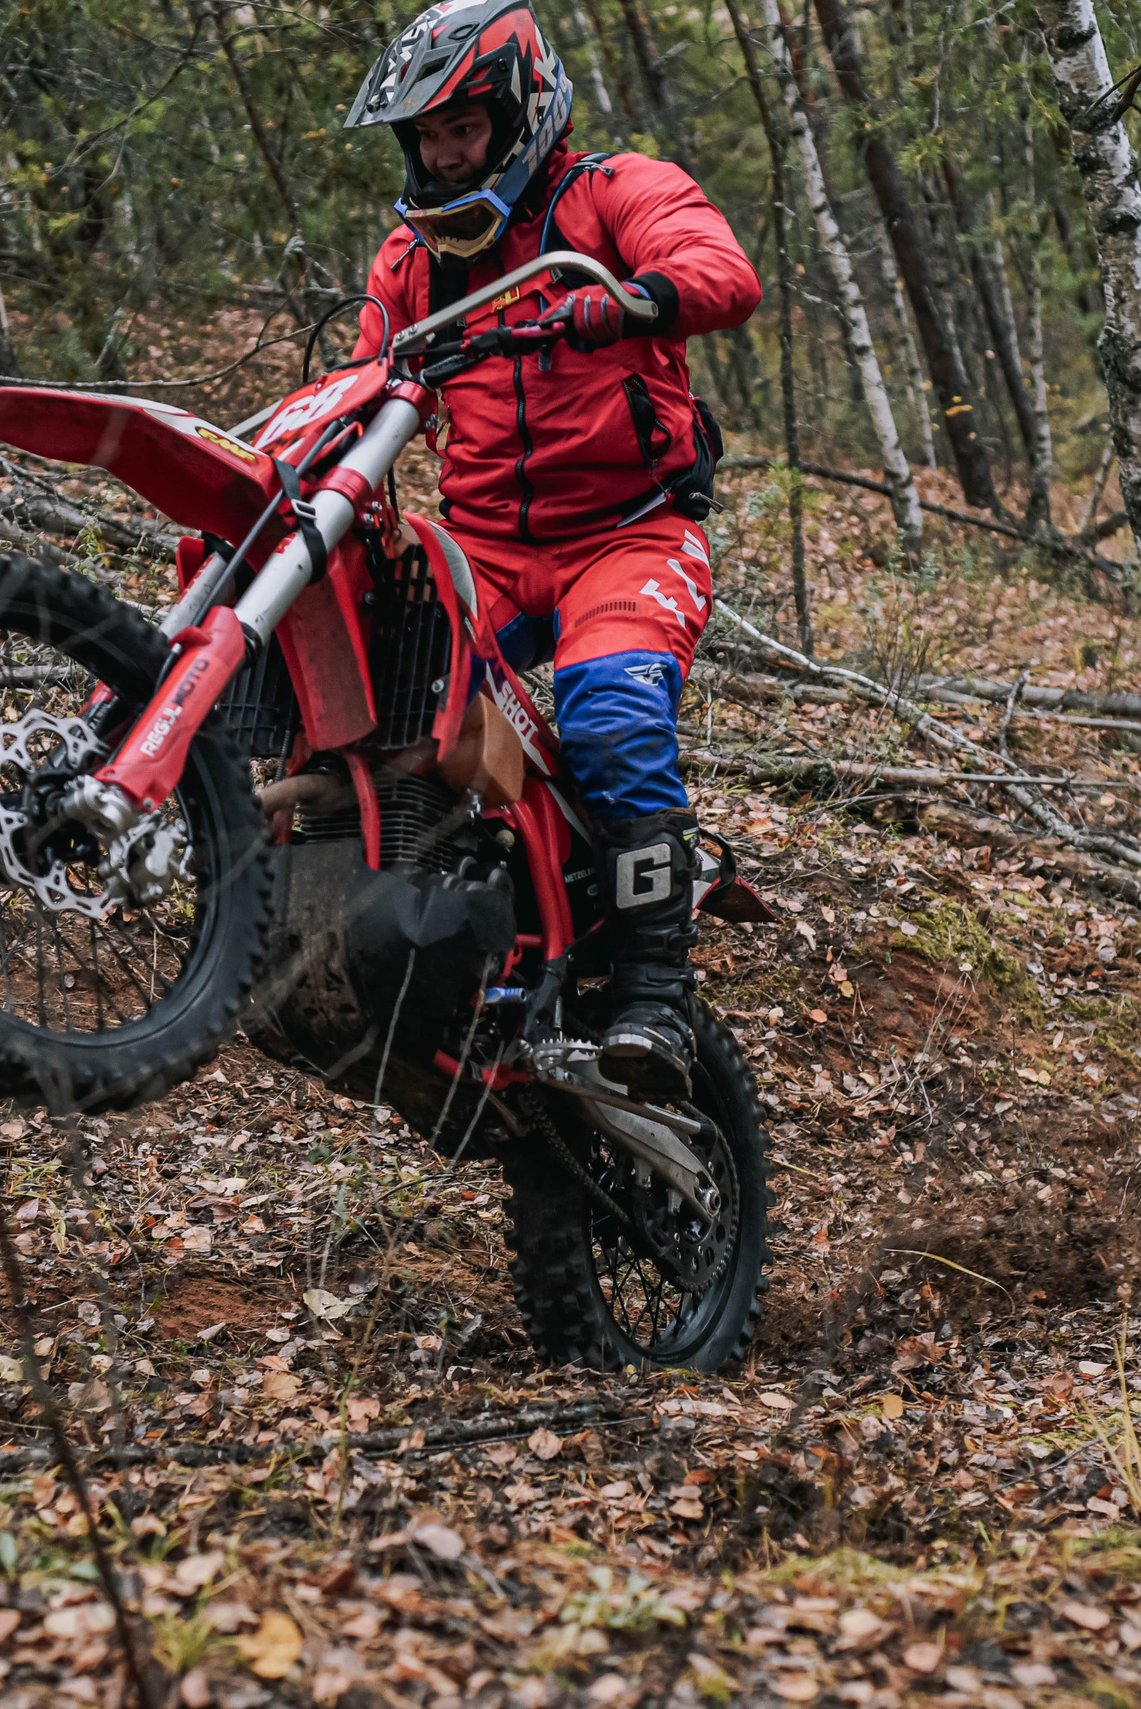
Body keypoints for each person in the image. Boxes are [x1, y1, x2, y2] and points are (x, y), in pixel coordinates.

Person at [345, 0, 760, 1099]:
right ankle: (448, 940)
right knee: (373, 691)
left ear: (523, 111)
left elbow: (722, 271)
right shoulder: (411, 261)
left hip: (628, 535)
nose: (442, 156)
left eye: (463, 130)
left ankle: (653, 998)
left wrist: (624, 302)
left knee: (610, 704)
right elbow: (362, 391)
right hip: (482, 545)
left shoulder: (612, 192)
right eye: (427, 137)